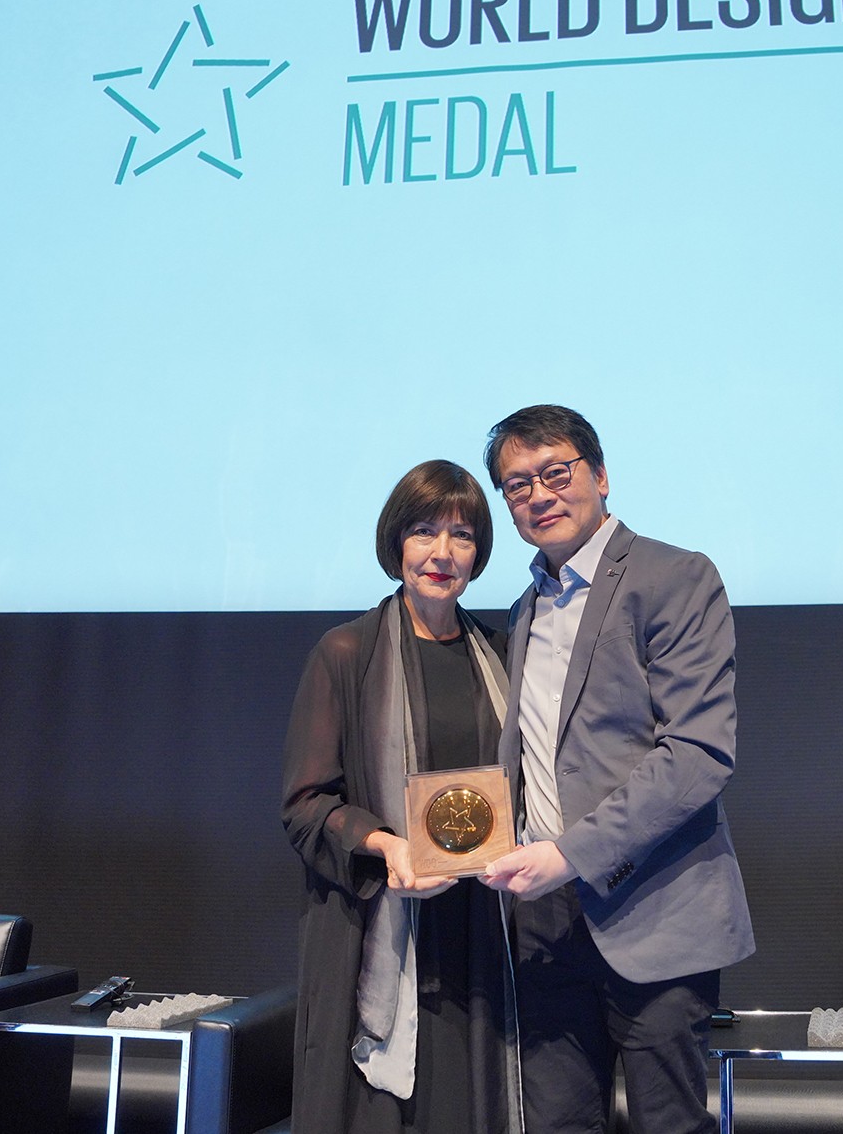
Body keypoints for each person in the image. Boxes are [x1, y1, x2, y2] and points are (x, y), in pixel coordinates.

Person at [479, 406, 754, 1134]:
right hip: (544, 922)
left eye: (555, 472)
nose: (538, 494)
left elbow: (698, 754)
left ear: (600, 476)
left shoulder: (675, 576)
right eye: (517, 484)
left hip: (653, 907)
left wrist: (571, 853)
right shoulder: (524, 609)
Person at [283, 460, 523, 1134]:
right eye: (424, 532)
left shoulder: (502, 654)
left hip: (482, 928)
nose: (442, 553)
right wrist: (387, 845)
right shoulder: (346, 653)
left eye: (462, 535)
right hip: (379, 925)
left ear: (479, 552)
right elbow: (305, 804)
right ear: (396, 542)